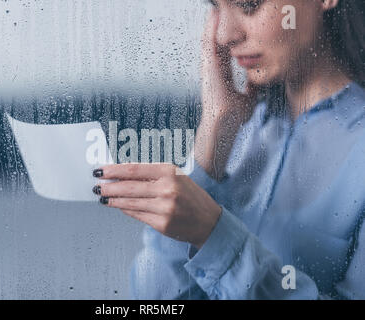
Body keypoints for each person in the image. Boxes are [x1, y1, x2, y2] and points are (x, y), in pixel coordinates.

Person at [91, 0, 365, 299]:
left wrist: (213, 236)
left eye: (249, 5)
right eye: (217, 7)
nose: (224, 35)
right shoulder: (245, 130)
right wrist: (212, 133)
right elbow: (153, 297)